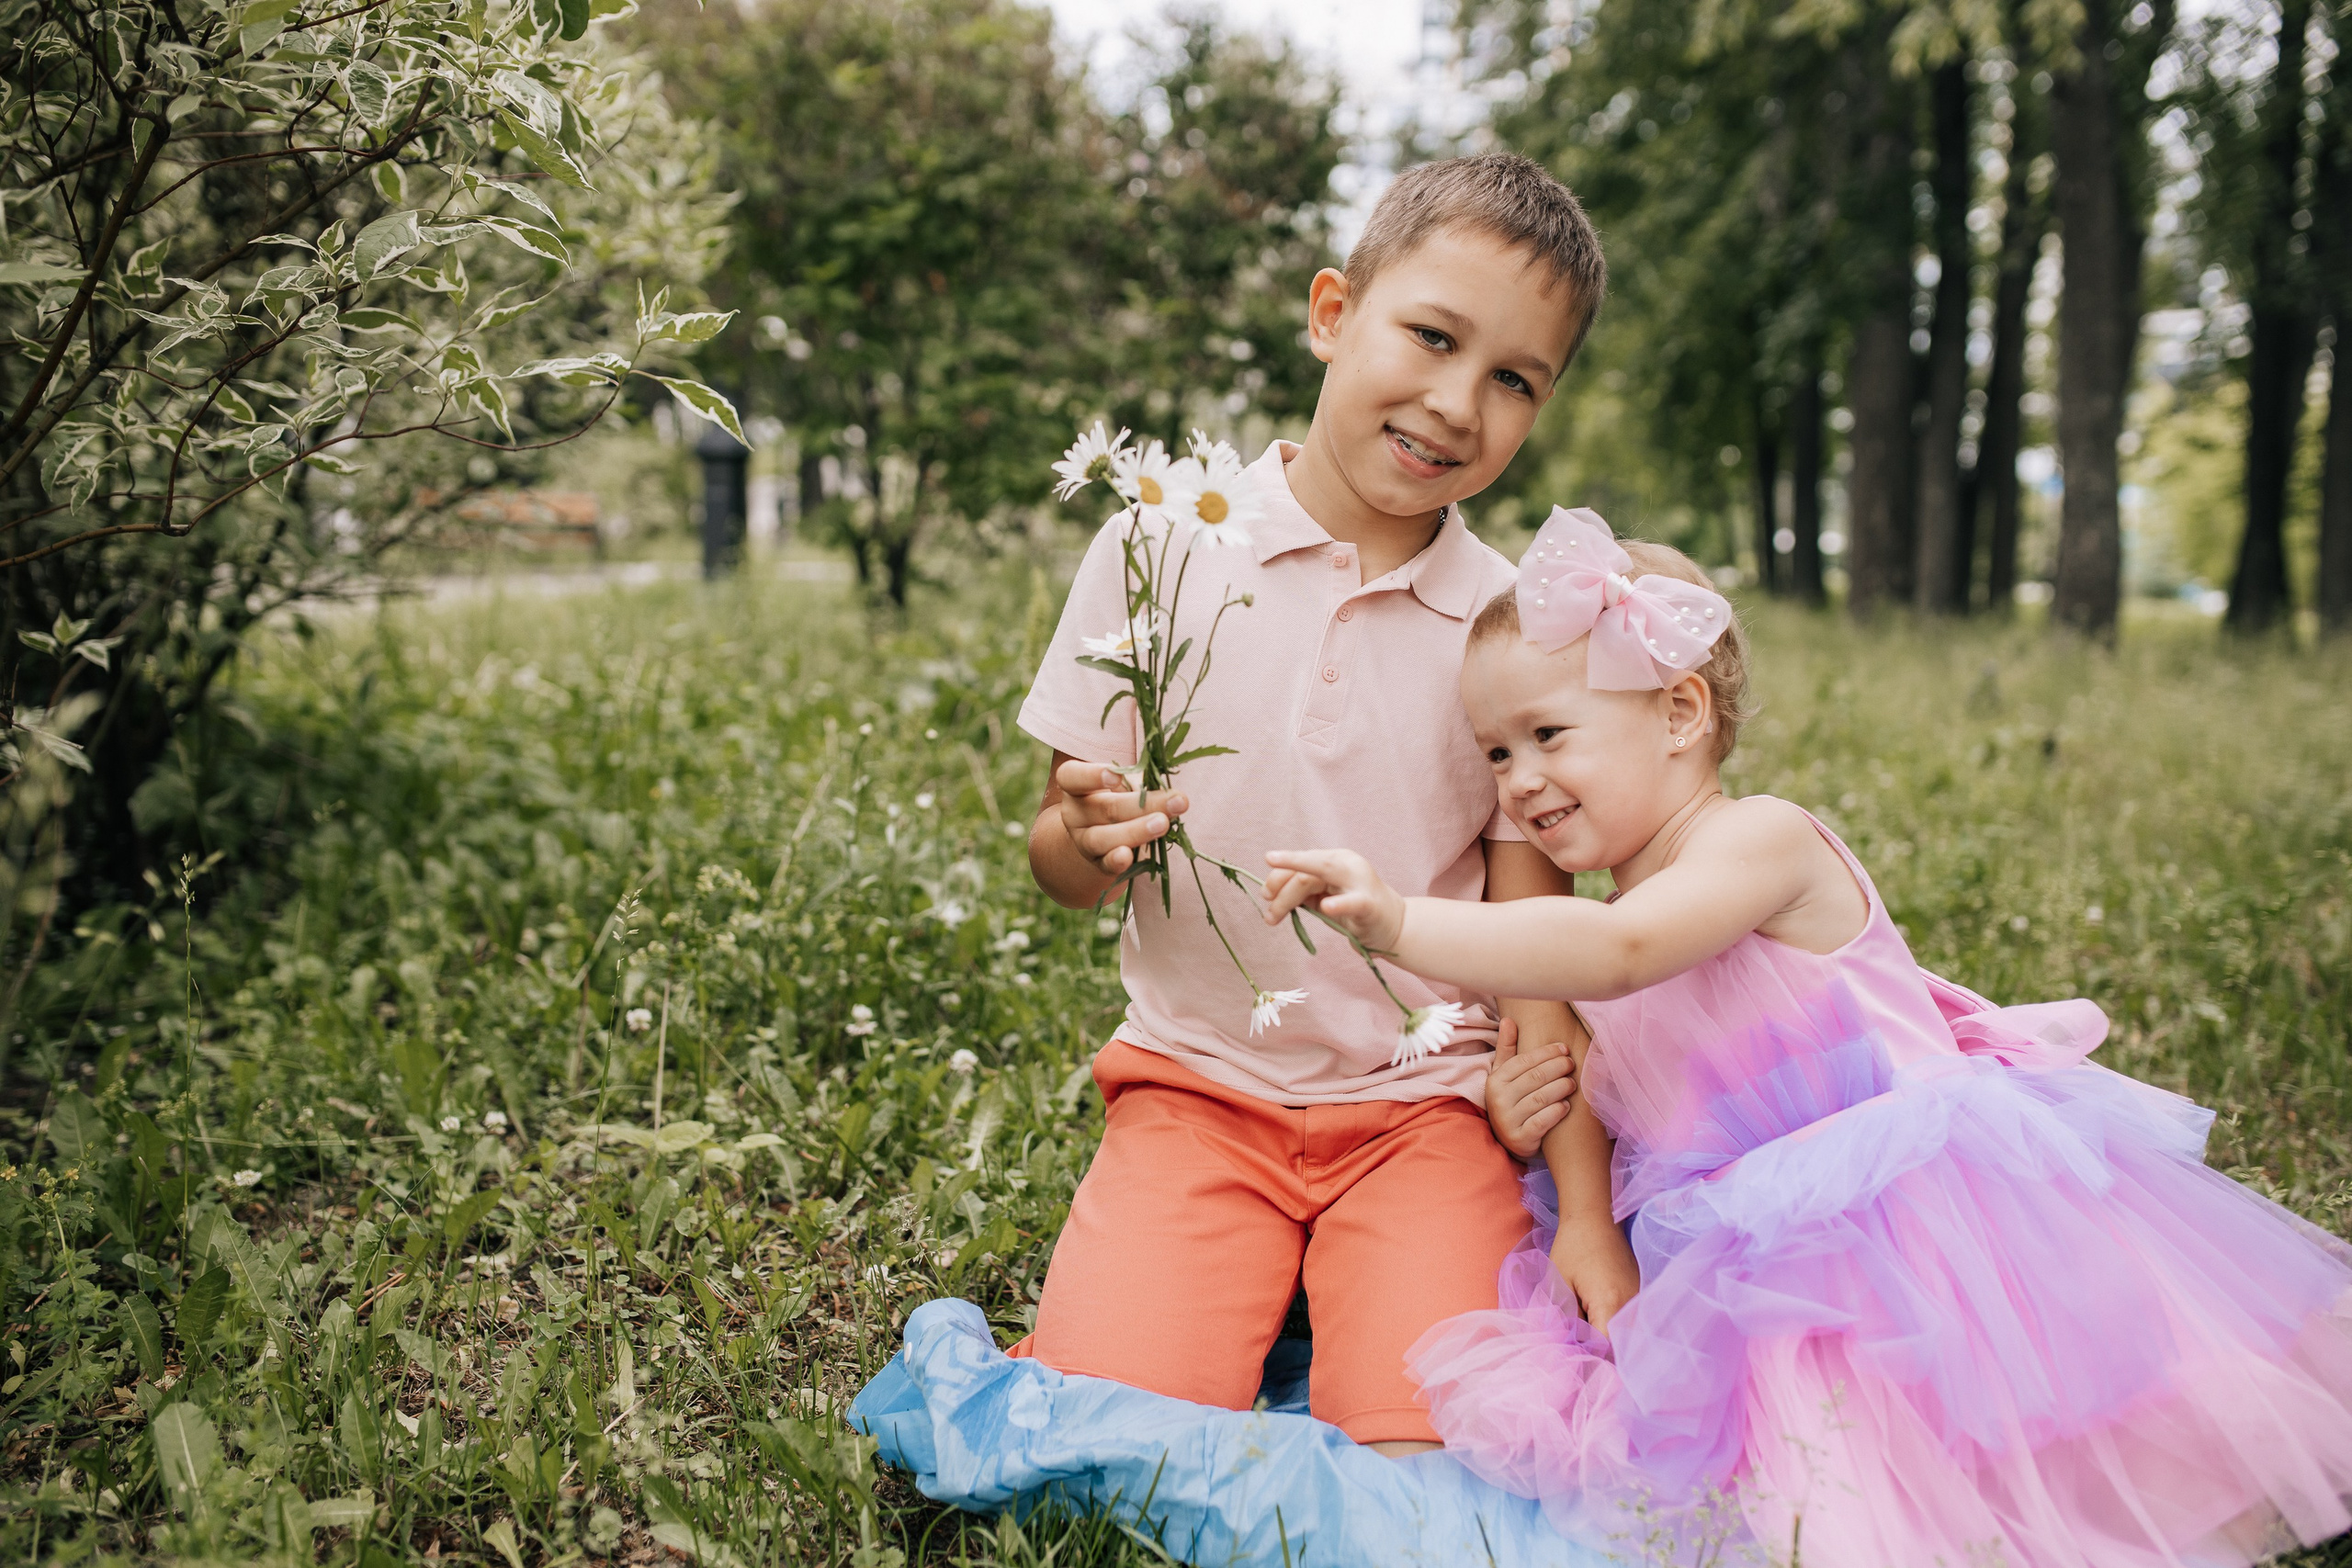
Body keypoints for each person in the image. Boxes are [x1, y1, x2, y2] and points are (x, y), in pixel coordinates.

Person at [1256, 509, 2352, 1567]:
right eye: (1495, 753)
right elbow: (1591, 1082)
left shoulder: (1758, 844)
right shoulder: (1595, 935)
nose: (1520, 780)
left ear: (1681, 714)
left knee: (2003, 1457)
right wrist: (1570, 1193)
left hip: (1903, 1220)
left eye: (1548, 735)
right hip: (1733, 1253)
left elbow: (1624, 950)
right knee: (1770, 1483)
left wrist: (1402, 920)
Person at [1012, 152, 1625, 1456]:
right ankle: (1245, 1272)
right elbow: (1060, 857)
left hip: (1423, 1111)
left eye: (1514, 378)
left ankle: (1356, 1282)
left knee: (1439, 1444)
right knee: (1105, 1441)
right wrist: (1083, 836)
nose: (1459, 403)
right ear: (1333, 312)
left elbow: (1536, 958)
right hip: (1195, 1080)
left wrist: (1582, 1208)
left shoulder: (1510, 627)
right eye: (1433, 336)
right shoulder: (1162, 542)